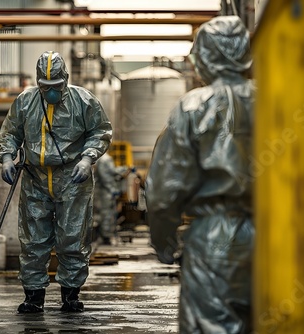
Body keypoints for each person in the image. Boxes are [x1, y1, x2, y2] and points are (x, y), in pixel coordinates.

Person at [145, 16, 255, 333]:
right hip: (280, 236)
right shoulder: (279, 101)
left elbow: (164, 190)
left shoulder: (193, 107)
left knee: (212, 325)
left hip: (214, 240)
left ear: (204, 56)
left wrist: (164, 243)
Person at [0, 51, 112, 313]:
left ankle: (70, 296)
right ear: (38, 83)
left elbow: (101, 131)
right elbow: (11, 131)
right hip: (35, 178)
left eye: (56, 87)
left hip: (73, 178)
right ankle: (33, 297)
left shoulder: (83, 101)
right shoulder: (26, 101)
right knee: (33, 240)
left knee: (72, 237)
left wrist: (87, 158)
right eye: (45, 87)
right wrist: (6, 157)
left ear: (65, 80)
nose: (51, 92)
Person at [93, 152, 120, 245]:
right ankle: (106, 237)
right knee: (106, 214)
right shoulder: (105, 159)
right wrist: (112, 189)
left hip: (100, 192)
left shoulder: (99, 158)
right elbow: (106, 177)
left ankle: (102, 236)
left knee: (100, 214)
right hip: (104, 192)